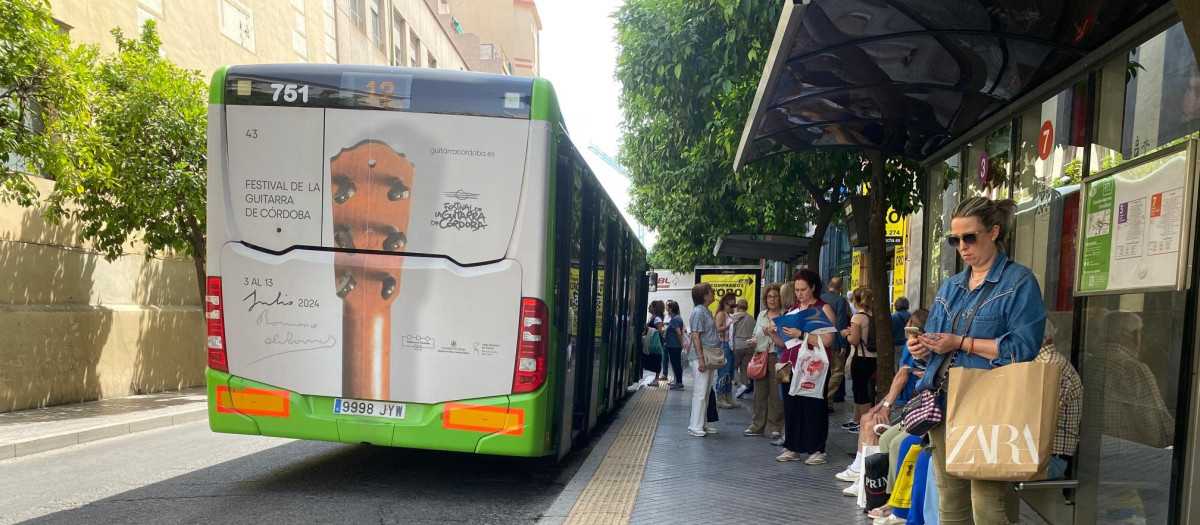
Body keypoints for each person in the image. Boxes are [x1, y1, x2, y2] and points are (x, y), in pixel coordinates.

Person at [908, 196, 1046, 525]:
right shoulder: (951, 286)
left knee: (988, 501)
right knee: (951, 498)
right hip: (943, 400)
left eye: (970, 237)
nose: (962, 247)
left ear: (994, 231)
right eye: (955, 240)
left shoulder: (1019, 282)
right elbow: (939, 338)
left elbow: (1022, 347)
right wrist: (923, 347)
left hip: (991, 403)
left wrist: (961, 343)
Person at [766, 268, 838, 465]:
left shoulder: (823, 309)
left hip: (812, 366)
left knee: (813, 406)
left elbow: (828, 340)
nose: (799, 294)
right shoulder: (792, 310)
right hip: (788, 363)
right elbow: (783, 343)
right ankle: (792, 446)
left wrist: (801, 334)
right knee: (791, 406)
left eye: (803, 289)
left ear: (813, 287)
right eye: (797, 290)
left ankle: (816, 449)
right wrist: (772, 333)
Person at [1034, 319, 1082, 481]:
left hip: (1049, 458)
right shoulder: (1041, 363)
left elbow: (1041, 419)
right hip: (1042, 454)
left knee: (983, 472)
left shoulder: (1049, 366)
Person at [744, 283, 784, 439]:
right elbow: (756, 333)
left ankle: (776, 426)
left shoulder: (785, 314)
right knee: (759, 393)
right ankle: (757, 426)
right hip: (760, 356)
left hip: (778, 356)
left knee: (776, 393)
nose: (772, 299)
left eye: (775, 296)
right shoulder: (761, 315)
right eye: (769, 296)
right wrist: (753, 340)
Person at [687, 283, 720, 437]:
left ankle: (702, 423)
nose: (714, 293)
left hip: (707, 355)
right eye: (711, 292)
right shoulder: (699, 312)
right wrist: (701, 359)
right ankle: (695, 425)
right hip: (702, 356)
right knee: (700, 392)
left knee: (706, 391)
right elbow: (695, 336)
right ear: (705, 296)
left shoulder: (705, 311)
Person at [843, 287, 878, 433]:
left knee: (860, 390)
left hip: (860, 357)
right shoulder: (872, 315)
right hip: (872, 357)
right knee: (860, 389)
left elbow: (854, 340)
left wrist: (846, 334)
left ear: (856, 301)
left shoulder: (857, 317)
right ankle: (857, 419)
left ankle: (864, 422)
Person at [822, 276, 852, 410]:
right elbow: (840, 321)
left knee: (825, 372)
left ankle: (827, 403)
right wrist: (843, 344)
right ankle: (825, 398)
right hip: (835, 341)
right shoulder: (840, 300)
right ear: (840, 289)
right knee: (838, 372)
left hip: (820, 340)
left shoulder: (820, 298)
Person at [713, 293, 739, 408]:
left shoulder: (728, 315)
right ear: (725, 303)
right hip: (724, 344)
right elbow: (717, 329)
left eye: (734, 306)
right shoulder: (721, 314)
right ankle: (720, 396)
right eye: (731, 306)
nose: (733, 308)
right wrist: (729, 326)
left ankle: (728, 395)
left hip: (730, 345)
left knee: (730, 371)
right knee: (724, 371)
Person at [731, 298, 756, 398]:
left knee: (732, 367)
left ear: (738, 307)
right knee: (744, 368)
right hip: (749, 346)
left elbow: (731, 333)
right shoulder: (752, 318)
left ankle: (740, 385)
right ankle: (743, 390)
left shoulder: (734, 317)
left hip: (738, 345)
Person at [663, 301, 686, 391]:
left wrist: (681, 344)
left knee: (676, 364)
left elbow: (678, 332)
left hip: (674, 346)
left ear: (671, 309)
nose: (667, 309)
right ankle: (678, 382)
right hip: (674, 345)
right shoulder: (678, 318)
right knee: (677, 364)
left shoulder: (675, 319)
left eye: (668, 307)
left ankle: (679, 383)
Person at [644, 301, 666, 380]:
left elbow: (660, 331)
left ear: (654, 308)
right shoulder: (653, 318)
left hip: (656, 342)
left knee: (657, 359)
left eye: (650, 306)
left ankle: (656, 379)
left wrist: (648, 328)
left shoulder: (657, 318)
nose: (648, 308)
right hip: (653, 341)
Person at [891, 297, 911, 372]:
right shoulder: (912, 316)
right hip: (908, 344)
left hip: (895, 345)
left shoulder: (893, 317)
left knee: (896, 365)